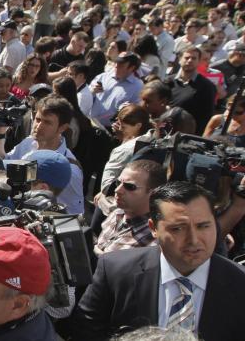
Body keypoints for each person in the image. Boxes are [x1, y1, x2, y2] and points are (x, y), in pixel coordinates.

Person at [72, 182, 245, 340]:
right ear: (153, 228)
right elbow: (86, 331)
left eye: (203, 226)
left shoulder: (239, 282)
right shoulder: (115, 270)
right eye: (177, 228)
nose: (194, 240)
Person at [6, 95, 84, 215]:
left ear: (63, 128)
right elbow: (6, 164)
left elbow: (74, 212)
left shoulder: (71, 170)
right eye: (38, 119)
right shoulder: (28, 142)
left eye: (47, 122)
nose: (39, 126)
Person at [94, 160, 167, 256]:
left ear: (153, 194)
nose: (117, 190)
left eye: (129, 186)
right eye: (118, 182)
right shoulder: (117, 213)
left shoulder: (155, 239)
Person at [99, 104, 153, 192]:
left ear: (138, 125)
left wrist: (124, 141)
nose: (120, 129)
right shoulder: (153, 138)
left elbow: (106, 187)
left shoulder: (125, 149)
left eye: (124, 126)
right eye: (119, 124)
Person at [165, 47, 218, 134]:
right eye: (186, 58)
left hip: (187, 135)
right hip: (164, 130)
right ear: (179, 59)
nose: (190, 61)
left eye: (194, 58)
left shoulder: (207, 87)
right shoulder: (168, 81)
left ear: (198, 61)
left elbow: (206, 118)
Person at [88, 51, 144, 128]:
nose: (116, 66)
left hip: (110, 131)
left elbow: (135, 112)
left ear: (132, 67)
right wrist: (91, 92)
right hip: (90, 123)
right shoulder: (103, 77)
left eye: (121, 64)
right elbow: (86, 96)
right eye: (116, 62)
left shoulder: (138, 86)